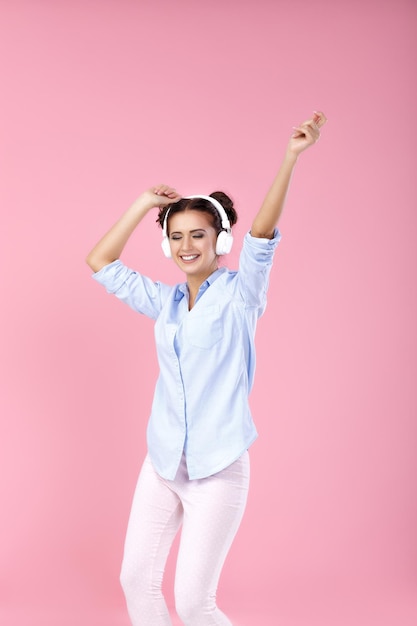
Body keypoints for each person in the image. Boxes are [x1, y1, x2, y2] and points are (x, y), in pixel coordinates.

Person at [86, 111, 327, 626]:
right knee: (136, 582)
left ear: (220, 240)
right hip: (162, 462)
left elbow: (263, 234)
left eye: (199, 235)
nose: (186, 246)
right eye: (176, 237)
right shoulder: (166, 301)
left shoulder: (242, 295)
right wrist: (144, 205)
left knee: (195, 604)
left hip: (217, 469)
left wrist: (290, 157)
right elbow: (100, 262)